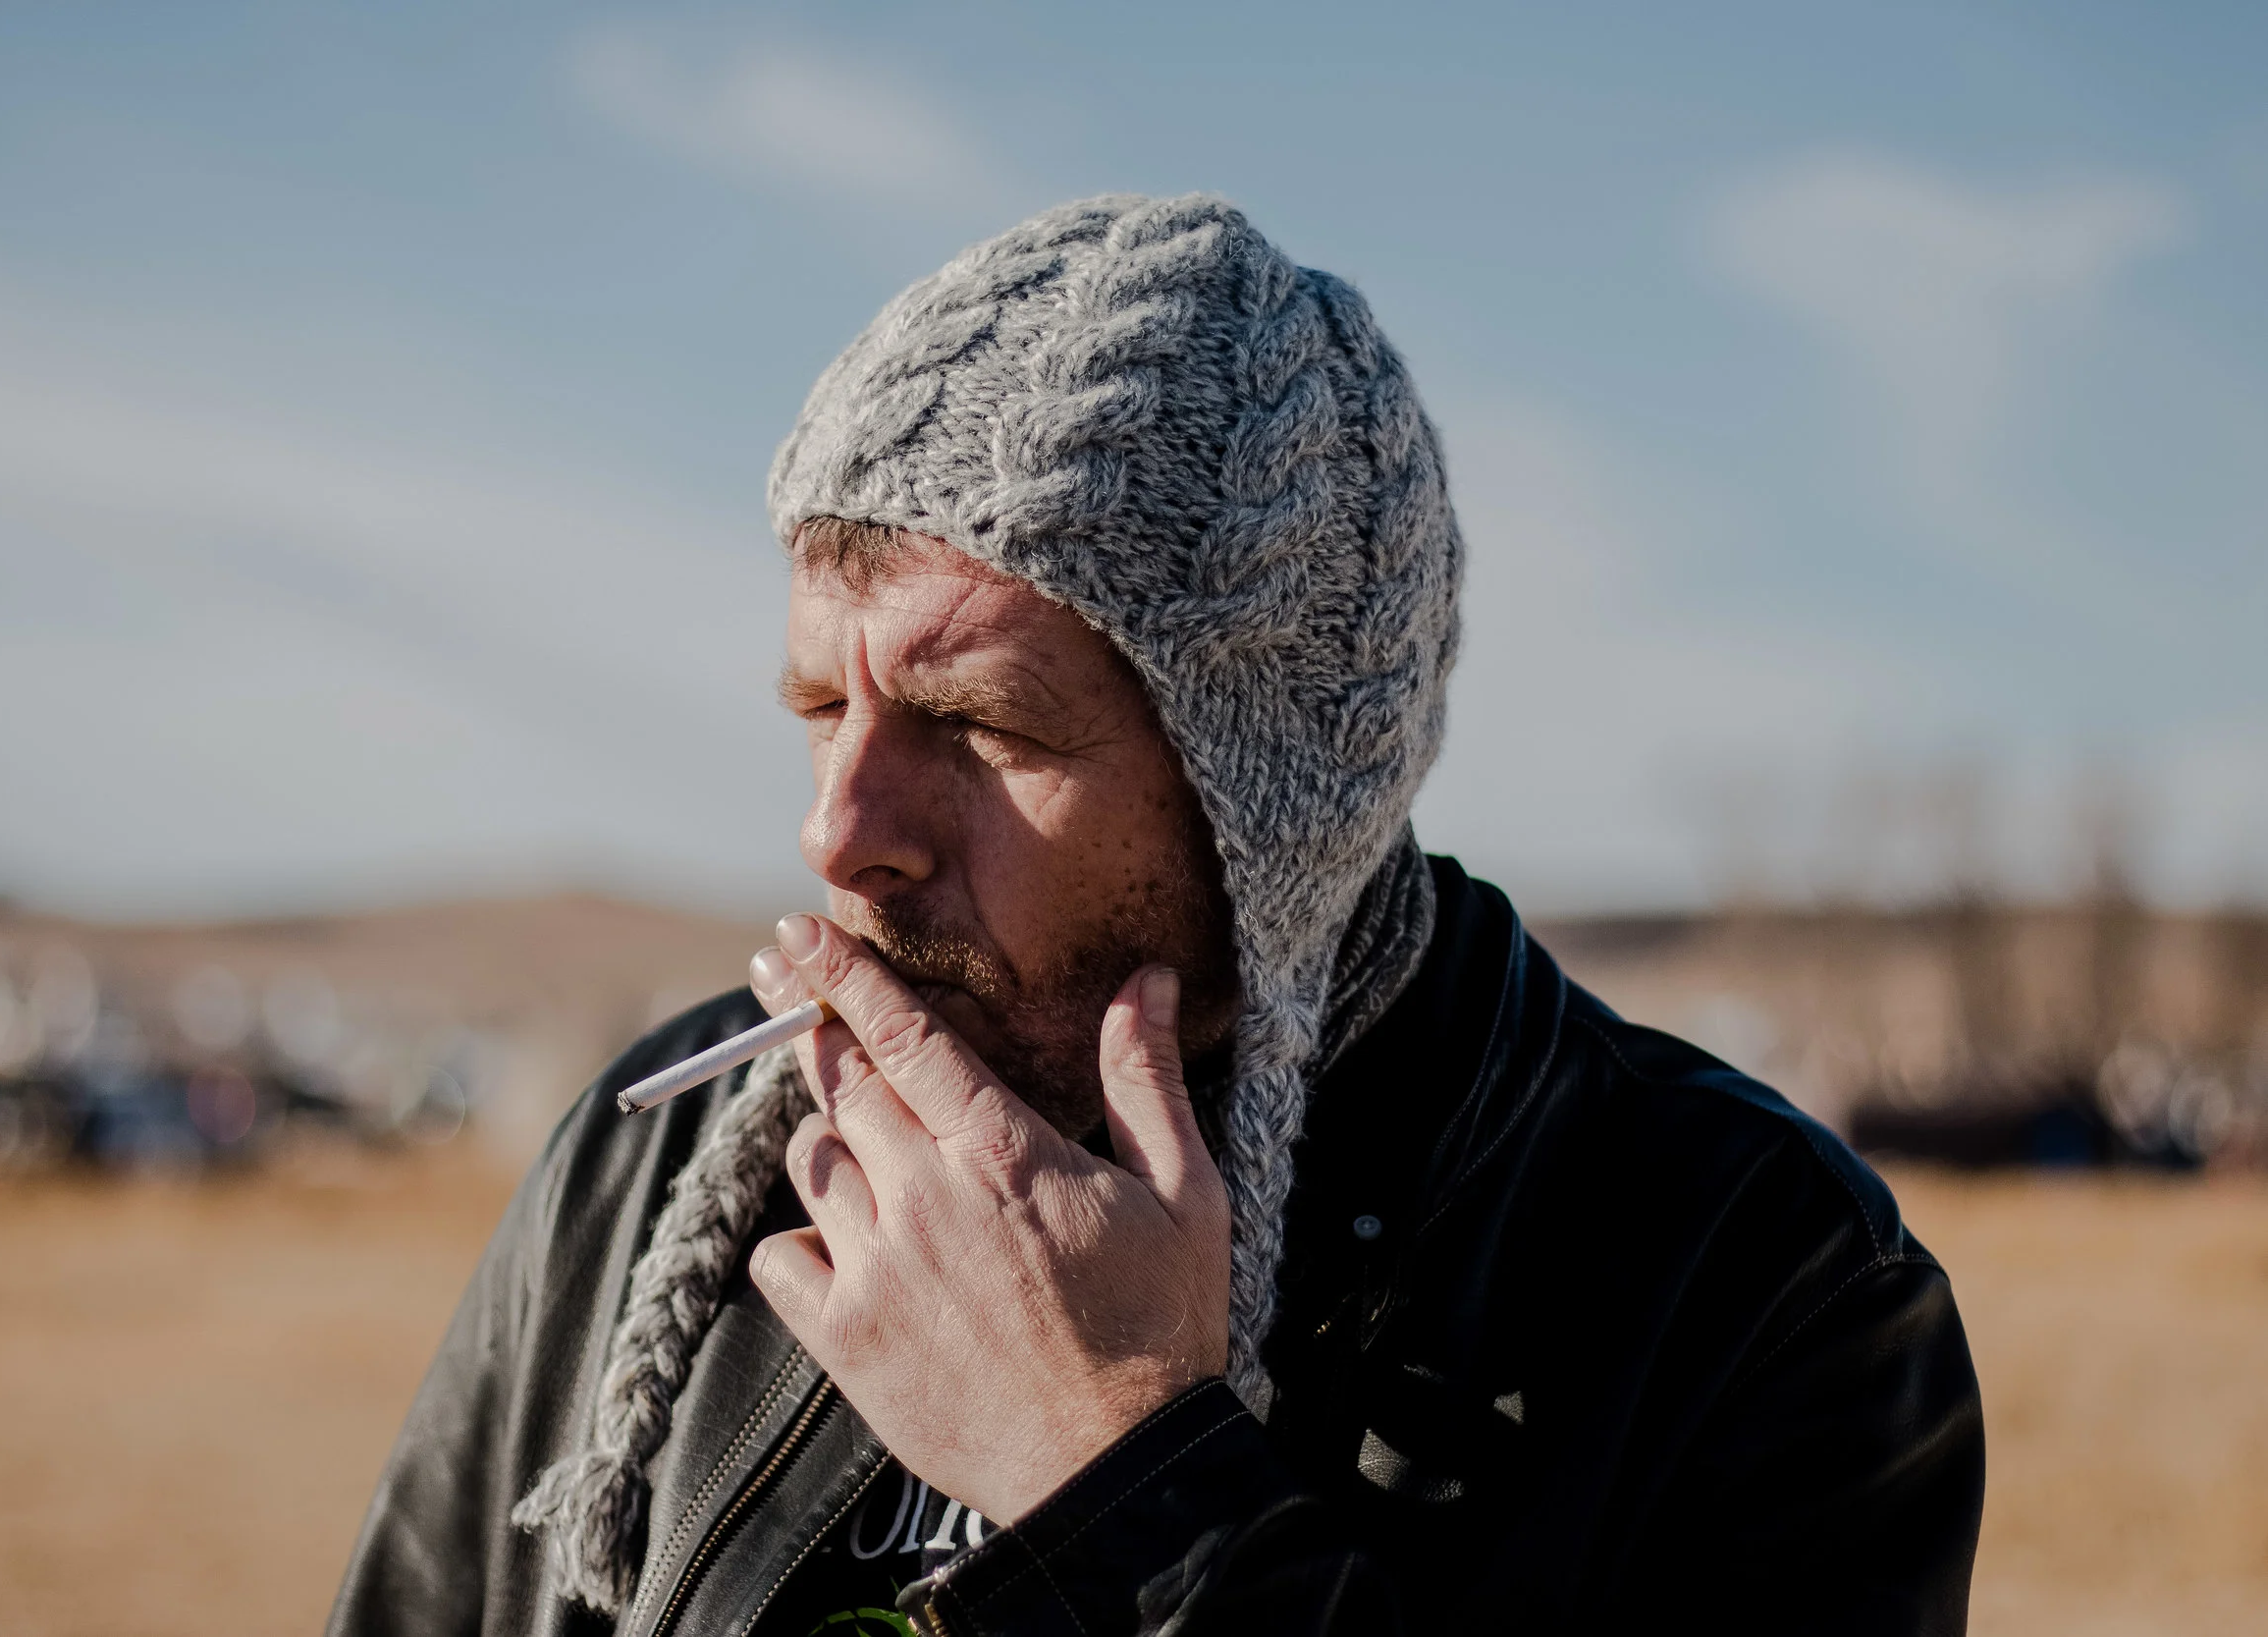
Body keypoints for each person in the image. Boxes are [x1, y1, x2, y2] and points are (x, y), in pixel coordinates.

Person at [328, 194, 1982, 1637]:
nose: (841, 834)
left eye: (977, 723)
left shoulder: (1753, 1288)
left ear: (1268, 791)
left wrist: (1118, 1476)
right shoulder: (649, 1177)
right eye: (822, 708)